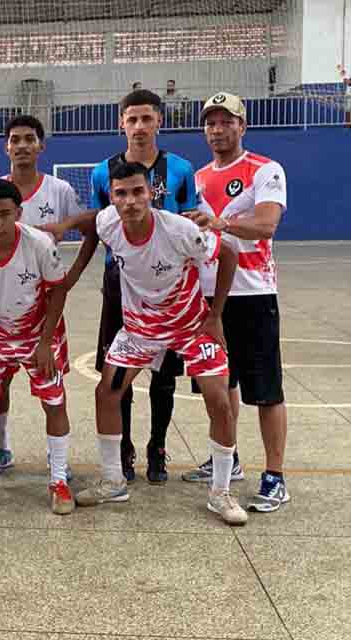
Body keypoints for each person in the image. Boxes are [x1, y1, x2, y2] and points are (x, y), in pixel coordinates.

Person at [74, 161, 247, 526]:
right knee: (106, 393)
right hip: (140, 329)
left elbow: (229, 253)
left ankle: (220, 492)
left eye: (138, 191)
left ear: (151, 192)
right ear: (112, 198)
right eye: (121, 193)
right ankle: (113, 481)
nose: (130, 200)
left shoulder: (180, 230)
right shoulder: (107, 223)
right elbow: (92, 227)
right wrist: (61, 227)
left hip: (190, 325)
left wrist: (215, 315)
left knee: (219, 400)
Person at [184, 92, 291, 513]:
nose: (217, 129)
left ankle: (275, 476)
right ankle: (228, 461)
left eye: (226, 121)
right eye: (211, 122)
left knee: (265, 390)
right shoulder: (195, 178)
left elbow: (267, 224)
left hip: (253, 293)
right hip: (207, 298)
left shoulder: (264, 169)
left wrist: (221, 222)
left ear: (242, 126)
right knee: (219, 385)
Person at [88, 89, 198, 484]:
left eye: (146, 118)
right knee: (119, 371)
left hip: (169, 288)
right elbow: (98, 225)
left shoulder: (181, 169)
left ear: (159, 121)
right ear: (121, 123)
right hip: (121, 282)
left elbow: (192, 222)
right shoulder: (102, 172)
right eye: (131, 119)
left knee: (164, 375)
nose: (139, 126)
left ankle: (158, 447)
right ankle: (124, 447)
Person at [0, 179, 74, 515]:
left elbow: (58, 290)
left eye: (4, 214)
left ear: (19, 213)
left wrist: (46, 342)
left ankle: (58, 480)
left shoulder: (40, 244)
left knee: (54, 401)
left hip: (38, 333)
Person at [0, 114, 99, 477]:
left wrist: (72, 276)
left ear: (41, 146)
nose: (22, 145)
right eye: (15, 139)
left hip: (43, 307)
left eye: (29, 139)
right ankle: (2, 448)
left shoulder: (59, 190)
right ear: (6, 147)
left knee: (50, 385)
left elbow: (91, 228)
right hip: (0, 305)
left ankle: (57, 458)